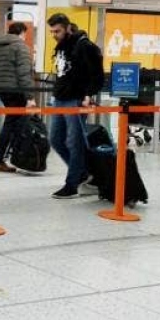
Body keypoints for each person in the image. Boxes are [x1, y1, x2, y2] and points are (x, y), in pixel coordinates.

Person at [47, 13, 104, 199]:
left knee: (75, 141)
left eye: (57, 31)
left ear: (68, 28)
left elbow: (97, 74)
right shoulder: (61, 46)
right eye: (52, 32)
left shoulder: (84, 46)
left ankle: (72, 184)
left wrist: (88, 94)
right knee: (55, 139)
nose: (54, 35)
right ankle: (83, 172)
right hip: (60, 98)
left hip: (75, 99)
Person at [0, 22, 36, 172]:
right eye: (25, 34)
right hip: (17, 91)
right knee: (13, 124)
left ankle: (6, 158)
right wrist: (30, 97)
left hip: (2, 90)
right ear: (21, 32)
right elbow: (24, 73)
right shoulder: (20, 47)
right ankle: (1, 160)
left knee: (13, 122)